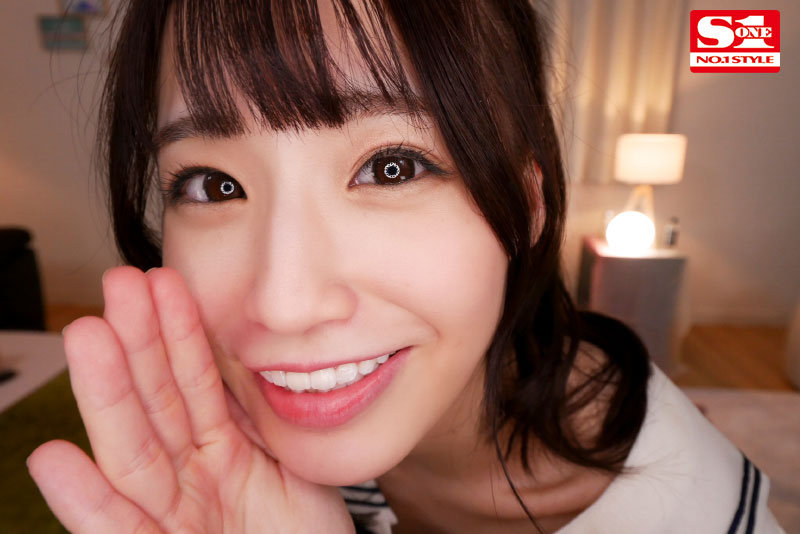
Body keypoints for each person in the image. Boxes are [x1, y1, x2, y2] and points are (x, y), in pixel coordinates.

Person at [27, 1, 786, 533]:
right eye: (214, 185)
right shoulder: (222, 464)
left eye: (391, 167)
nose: (285, 304)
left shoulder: (693, 513)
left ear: (527, 204)